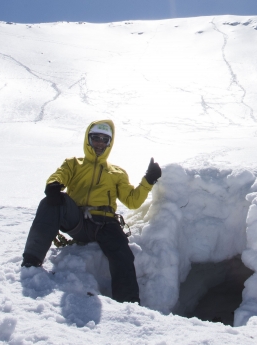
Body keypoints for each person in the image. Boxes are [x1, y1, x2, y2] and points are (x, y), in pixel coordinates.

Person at [21, 120, 161, 303]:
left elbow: (132, 201)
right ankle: (31, 260)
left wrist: (148, 181)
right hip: (78, 220)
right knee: (51, 202)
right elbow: (60, 175)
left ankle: (128, 302)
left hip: (106, 224)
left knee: (122, 254)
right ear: (88, 139)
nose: (100, 143)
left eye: (105, 139)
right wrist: (54, 184)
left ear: (109, 143)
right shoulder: (73, 164)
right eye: (96, 138)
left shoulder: (117, 173)